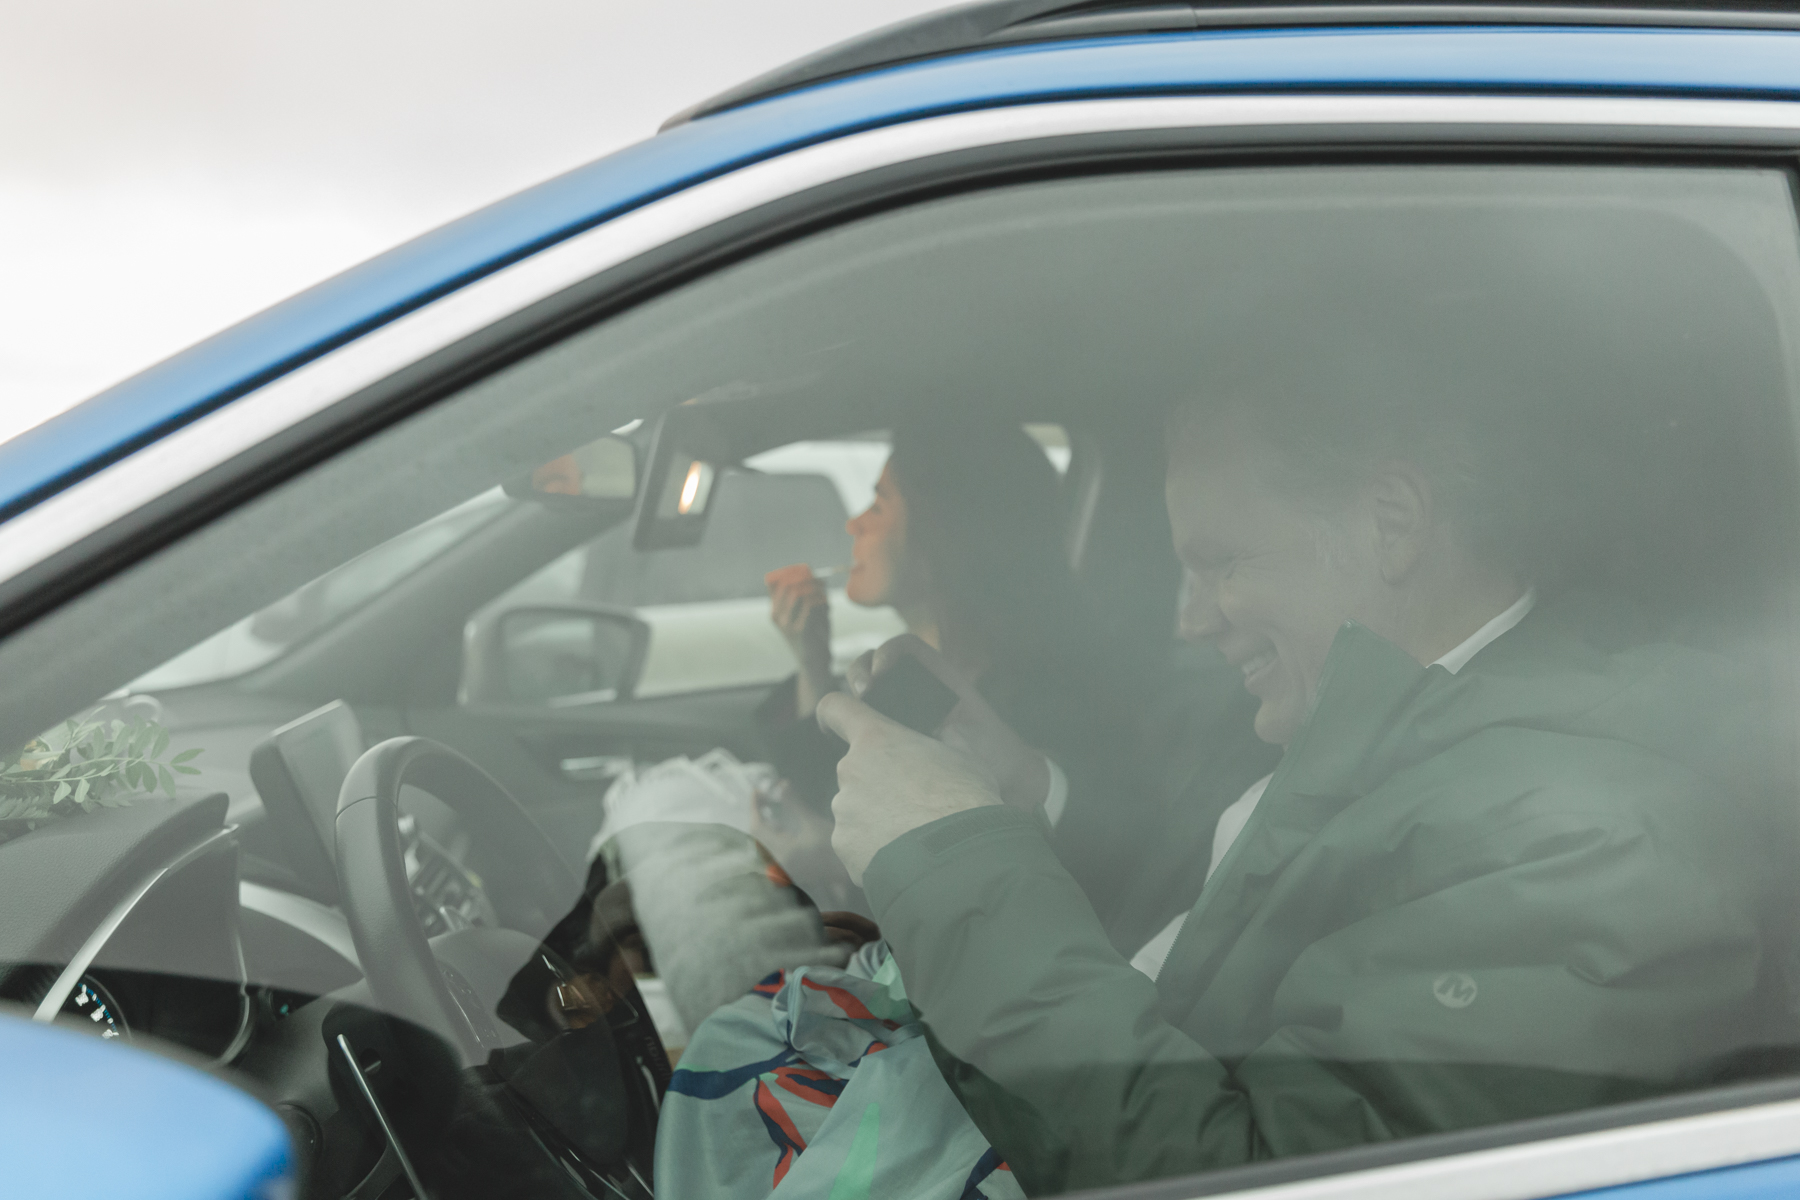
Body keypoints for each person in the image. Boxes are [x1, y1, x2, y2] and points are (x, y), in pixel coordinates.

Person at [814, 363, 1799, 1193]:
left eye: (1222, 562)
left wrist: (956, 871)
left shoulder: (1598, 850)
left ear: (1392, 522)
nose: (1192, 621)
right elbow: (1210, 941)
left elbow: (1256, 1172)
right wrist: (1026, 798)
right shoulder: (1351, 709)